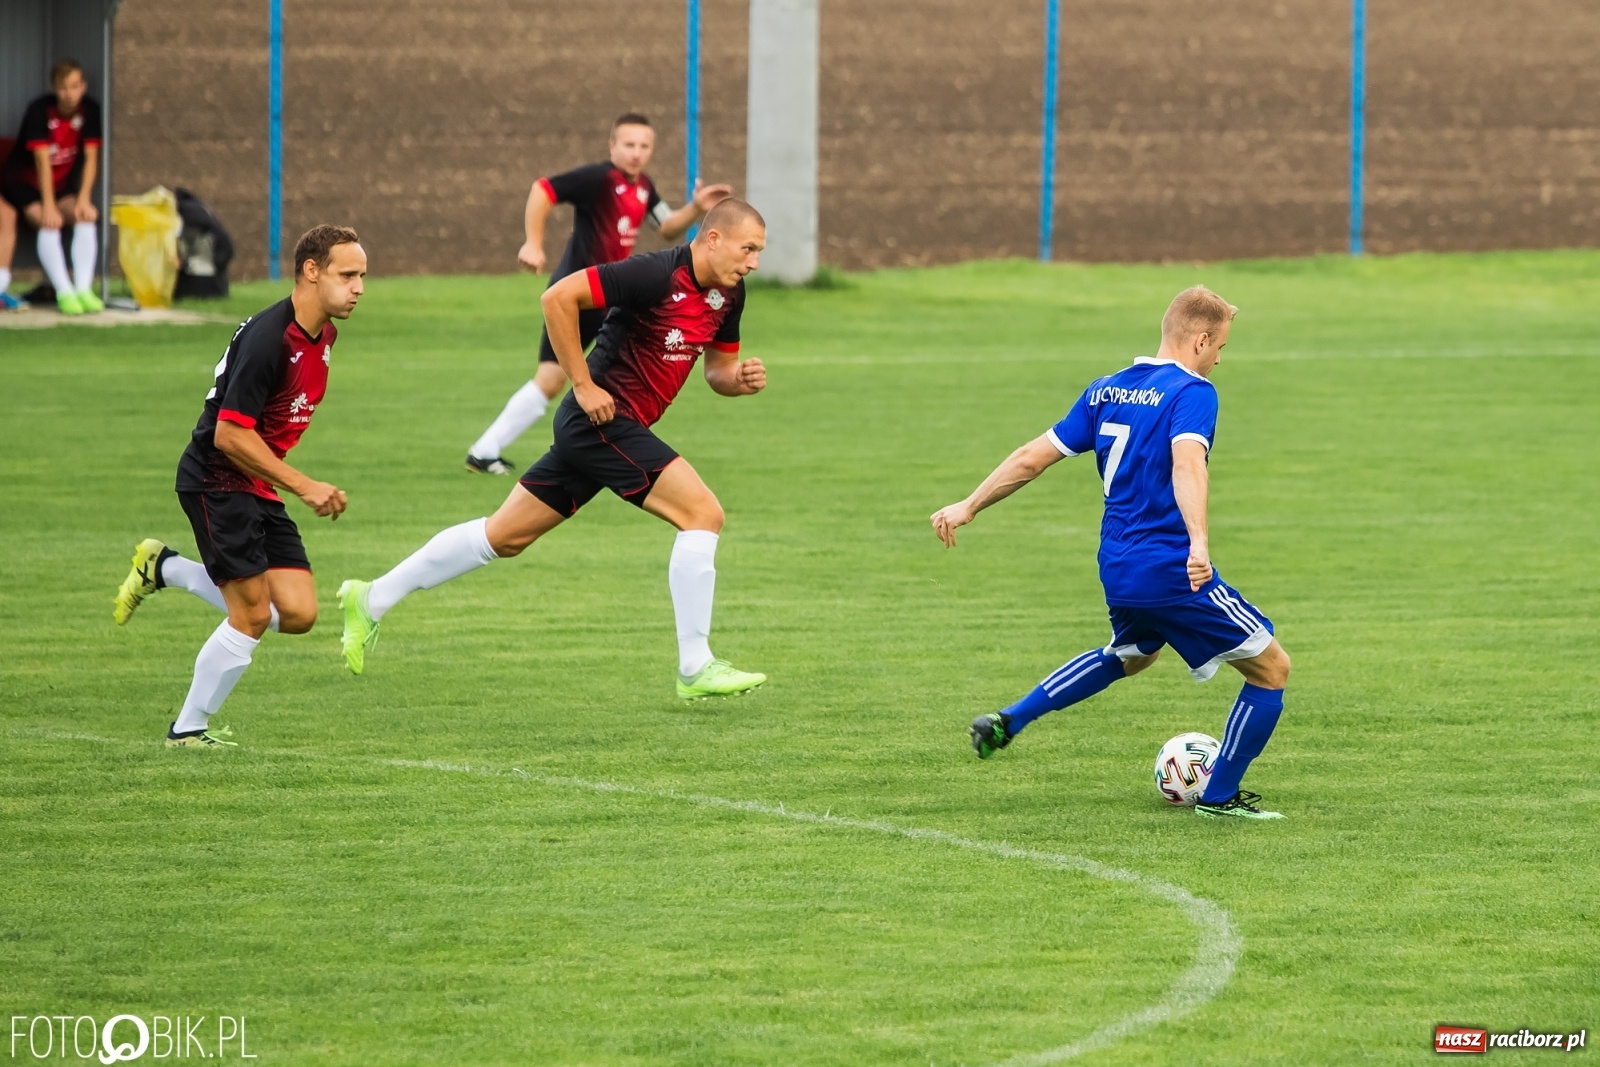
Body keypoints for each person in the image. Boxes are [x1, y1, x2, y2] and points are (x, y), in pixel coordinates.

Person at [341, 199, 768, 700]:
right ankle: (695, 666)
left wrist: (739, 380)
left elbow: (717, 371)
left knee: (503, 537)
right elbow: (558, 299)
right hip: (601, 421)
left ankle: (371, 598)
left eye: (758, 251)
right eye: (749, 249)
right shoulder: (653, 275)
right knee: (703, 514)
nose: (754, 262)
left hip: (600, 429)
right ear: (713, 239)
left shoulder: (730, 295)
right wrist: (583, 384)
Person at [930, 286, 1292, 819]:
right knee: (1271, 668)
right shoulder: (1193, 392)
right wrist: (1198, 543)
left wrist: (969, 504)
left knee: (1133, 655)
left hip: (1117, 563)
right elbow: (1188, 463)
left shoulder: (1108, 389)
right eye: (1220, 348)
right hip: (1169, 565)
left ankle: (1010, 719)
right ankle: (1218, 797)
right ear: (1200, 339)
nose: (1219, 359)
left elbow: (1033, 457)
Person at [111, 226, 367, 748]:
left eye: (363, 275)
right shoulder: (269, 338)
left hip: (255, 482)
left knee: (297, 613)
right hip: (217, 478)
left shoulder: (324, 336)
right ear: (312, 272)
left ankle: (164, 568)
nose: (359, 286)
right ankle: (187, 729)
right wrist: (304, 485)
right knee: (250, 614)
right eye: (348, 275)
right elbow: (229, 433)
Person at [464, 113, 733, 474]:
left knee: (566, 376)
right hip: (578, 294)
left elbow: (667, 228)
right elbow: (543, 189)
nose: (636, 153)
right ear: (612, 146)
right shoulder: (598, 179)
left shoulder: (644, 187)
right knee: (553, 377)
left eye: (644, 146)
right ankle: (488, 449)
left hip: (609, 298)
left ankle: (497, 449)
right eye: (628, 144)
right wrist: (533, 242)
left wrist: (696, 208)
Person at [0, 59, 104, 314]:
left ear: (83, 87)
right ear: (54, 89)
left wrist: (83, 199)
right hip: (22, 184)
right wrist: (48, 206)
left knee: (85, 216)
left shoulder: (89, 110)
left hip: (61, 187)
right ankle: (65, 293)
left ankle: (83, 290)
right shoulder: (39, 111)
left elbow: (91, 158)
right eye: (63, 88)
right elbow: (42, 162)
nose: (69, 94)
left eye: (74, 87)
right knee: (50, 221)